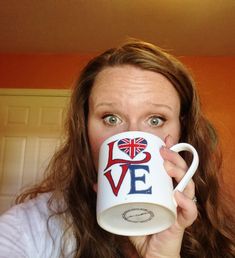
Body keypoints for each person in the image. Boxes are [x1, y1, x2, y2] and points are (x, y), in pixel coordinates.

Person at [0, 39, 234, 258]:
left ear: (183, 131)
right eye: (111, 118)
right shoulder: (28, 227)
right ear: (85, 129)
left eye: (155, 120)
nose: (132, 137)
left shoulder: (222, 235)